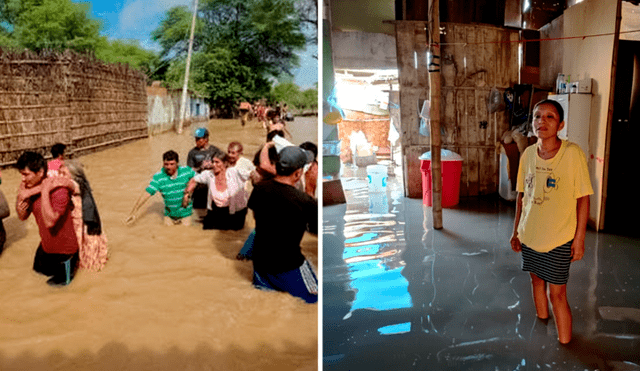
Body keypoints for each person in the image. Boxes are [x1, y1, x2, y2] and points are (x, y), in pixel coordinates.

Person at [510, 99, 593, 344]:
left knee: (558, 294)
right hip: (530, 234)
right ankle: (542, 319)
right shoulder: (527, 154)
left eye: (550, 117)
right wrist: (516, 232)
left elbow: (583, 199)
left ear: (561, 125)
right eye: (537, 116)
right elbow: (522, 196)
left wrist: (579, 240)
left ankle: (565, 345)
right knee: (536, 280)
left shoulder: (572, 153)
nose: (542, 122)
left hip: (559, 237)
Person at [248, 146, 318, 303]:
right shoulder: (304, 201)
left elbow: (256, 217)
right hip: (289, 266)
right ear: (297, 173)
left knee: (265, 301)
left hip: (260, 263)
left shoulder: (259, 189)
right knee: (315, 300)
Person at [15, 151, 79, 286]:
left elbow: (49, 222)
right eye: (21, 174)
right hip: (45, 248)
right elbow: (22, 217)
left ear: (40, 172)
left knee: (58, 291)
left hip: (65, 253)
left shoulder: (60, 190)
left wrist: (44, 191)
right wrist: (20, 207)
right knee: (35, 276)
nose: (22, 179)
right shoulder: (28, 187)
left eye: (26, 174)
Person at [183, 151, 251, 230]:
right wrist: (187, 194)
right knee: (206, 233)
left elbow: (253, 174)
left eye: (217, 162)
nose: (214, 165)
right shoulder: (209, 175)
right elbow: (194, 180)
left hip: (236, 213)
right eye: (213, 162)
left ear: (225, 163)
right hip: (216, 210)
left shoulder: (234, 172)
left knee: (232, 236)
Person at [125, 150, 195, 226]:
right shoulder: (158, 177)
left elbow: (197, 178)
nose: (169, 167)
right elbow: (147, 193)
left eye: (172, 164)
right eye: (166, 164)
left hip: (185, 214)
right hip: (169, 215)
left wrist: (188, 193)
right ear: (163, 163)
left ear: (177, 163)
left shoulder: (186, 171)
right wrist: (134, 212)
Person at [187, 127, 223, 221]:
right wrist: (200, 167)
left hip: (212, 184)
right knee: (198, 211)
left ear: (206, 139)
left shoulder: (215, 151)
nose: (196, 141)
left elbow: (224, 165)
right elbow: (190, 171)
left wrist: (212, 165)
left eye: (199, 139)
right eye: (196, 139)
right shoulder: (192, 153)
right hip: (199, 186)